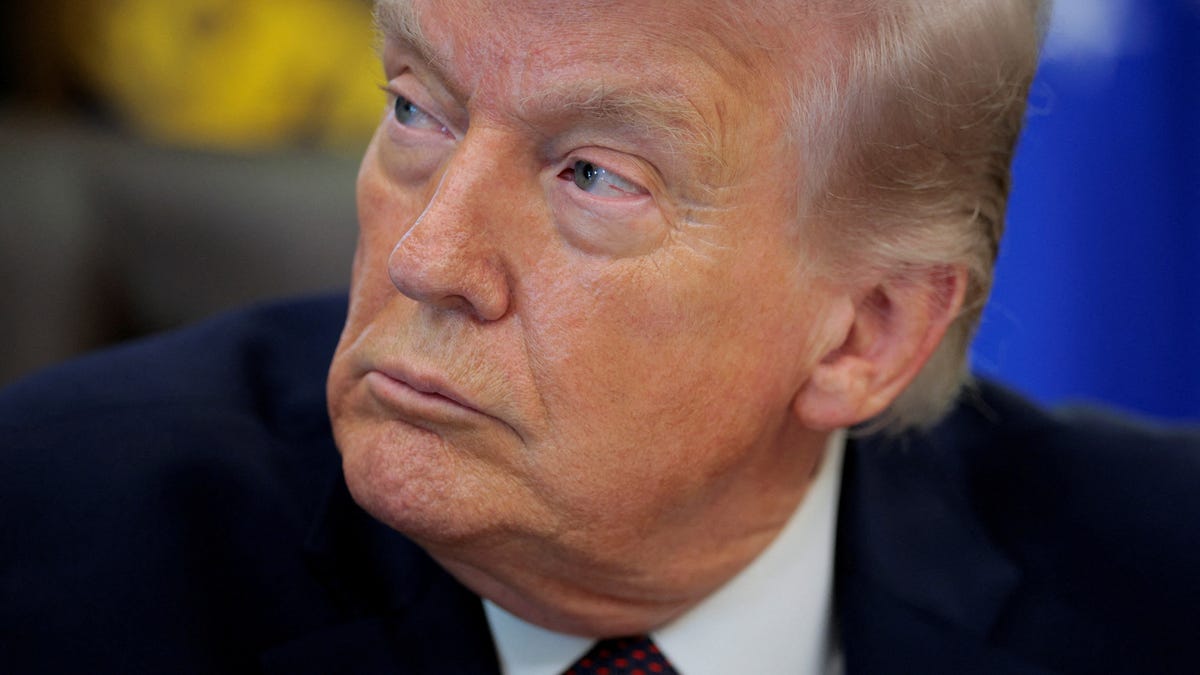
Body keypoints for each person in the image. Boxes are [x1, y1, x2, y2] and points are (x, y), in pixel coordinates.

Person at [2, 1, 1197, 673]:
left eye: (593, 175)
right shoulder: (48, 548)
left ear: (866, 334)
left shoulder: (1161, 587)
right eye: (416, 108)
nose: (427, 256)